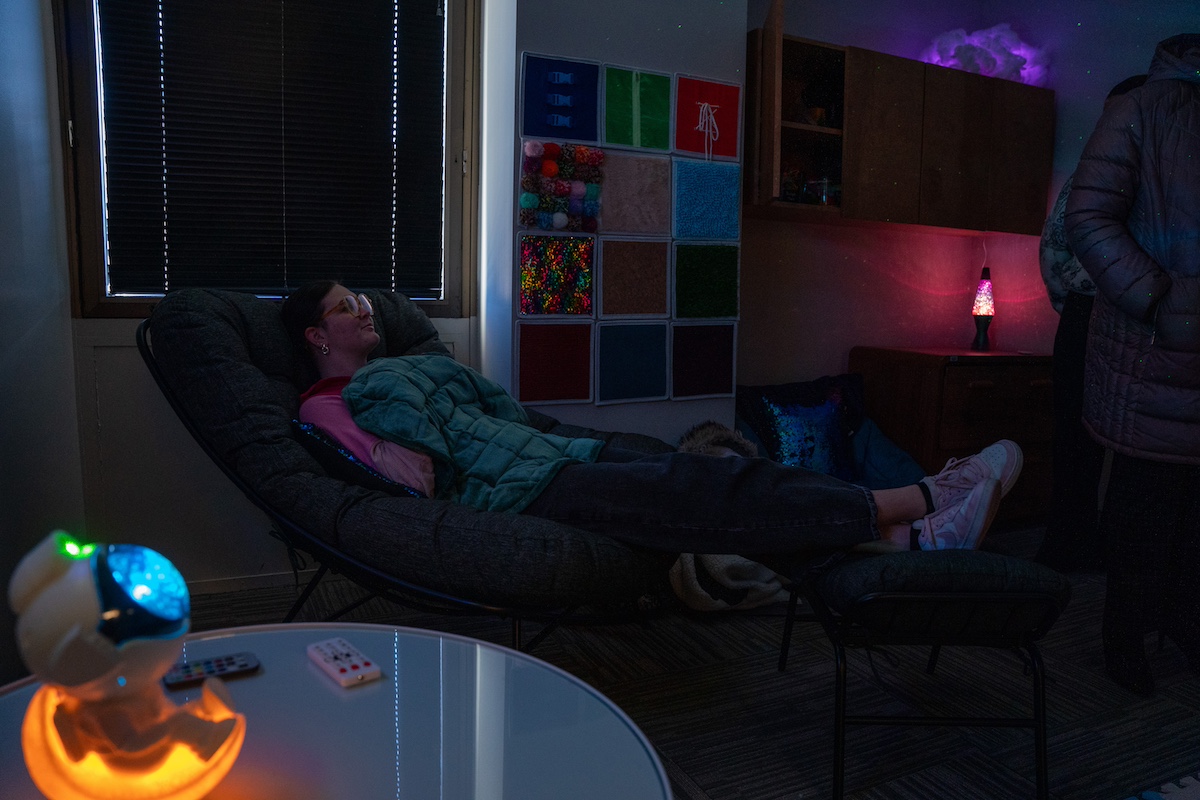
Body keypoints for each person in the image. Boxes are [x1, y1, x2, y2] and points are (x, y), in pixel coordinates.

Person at [281, 280, 1023, 563]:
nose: (364, 311)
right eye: (346, 308)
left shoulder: (409, 364)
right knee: (690, 493)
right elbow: (404, 472)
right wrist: (417, 448)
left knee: (698, 469)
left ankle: (891, 539)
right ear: (317, 337)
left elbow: (487, 405)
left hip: (545, 450)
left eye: (364, 302)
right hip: (521, 490)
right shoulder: (326, 404)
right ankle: (918, 505)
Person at [1065, 34, 1200, 695]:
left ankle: (1180, 626)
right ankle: (1126, 638)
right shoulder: (1141, 108)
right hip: (1155, 357)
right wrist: (1158, 295)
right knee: (1145, 510)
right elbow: (1087, 217)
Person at [1034, 74, 1146, 573]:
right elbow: (1054, 241)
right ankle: (1076, 543)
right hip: (1095, 314)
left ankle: (1091, 546)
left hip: (1123, 317)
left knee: (1119, 443)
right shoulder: (1098, 173)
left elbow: (1057, 244)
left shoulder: (1134, 174)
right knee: (1077, 435)